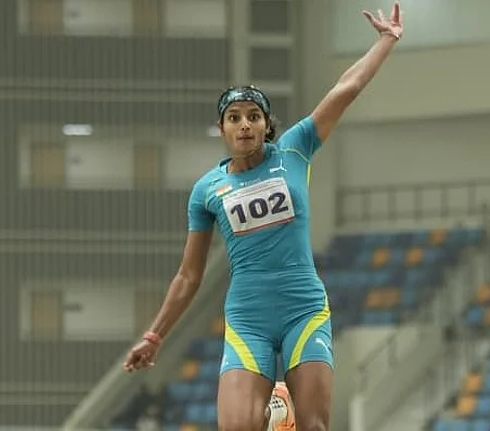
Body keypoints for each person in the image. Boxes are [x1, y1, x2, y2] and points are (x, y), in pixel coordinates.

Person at [123, 3, 404, 430]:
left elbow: (345, 89)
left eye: (253, 117)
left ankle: (285, 412)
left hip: (303, 310)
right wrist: (154, 334)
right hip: (248, 319)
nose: (244, 126)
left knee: (314, 427)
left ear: (266, 125)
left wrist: (385, 40)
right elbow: (188, 276)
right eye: (233, 118)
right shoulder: (206, 191)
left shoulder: (294, 149)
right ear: (222, 129)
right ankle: (276, 411)